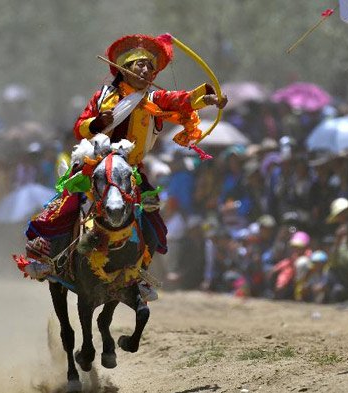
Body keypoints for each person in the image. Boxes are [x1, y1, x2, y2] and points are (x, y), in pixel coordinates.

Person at [30, 34, 227, 260]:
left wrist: (207, 98)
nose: (146, 71)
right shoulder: (103, 96)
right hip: (95, 163)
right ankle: (50, 259)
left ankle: (140, 274)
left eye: (150, 68)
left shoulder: (153, 99)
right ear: (124, 69)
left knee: (152, 223)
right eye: (140, 65)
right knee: (66, 205)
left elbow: (179, 100)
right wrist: (96, 123)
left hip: (131, 169)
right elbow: (78, 129)